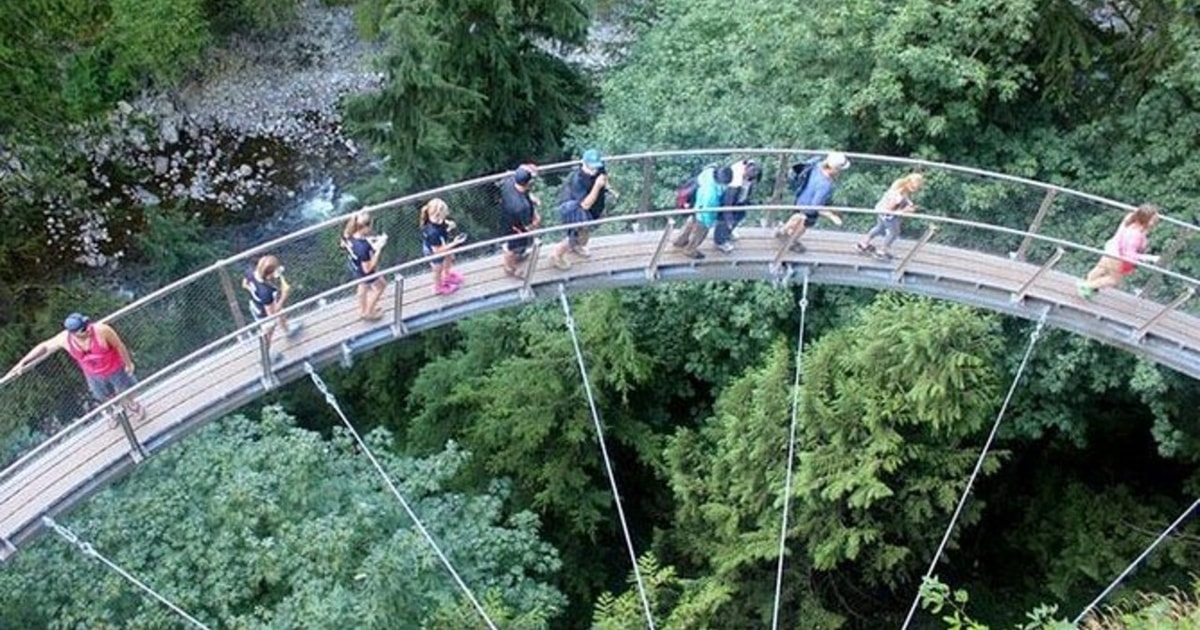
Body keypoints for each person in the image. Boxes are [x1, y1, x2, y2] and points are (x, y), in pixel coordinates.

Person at [4, 313, 146, 425]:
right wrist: (23, 362)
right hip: (93, 374)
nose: (88, 328)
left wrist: (128, 363)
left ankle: (132, 406)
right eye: (83, 329)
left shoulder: (102, 330)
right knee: (102, 396)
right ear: (74, 333)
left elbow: (119, 346)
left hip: (114, 368)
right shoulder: (65, 339)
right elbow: (45, 347)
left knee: (125, 389)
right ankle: (112, 412)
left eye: (87, 324)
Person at [1077, 203, 1161, 299]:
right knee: (1113, 279)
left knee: (1100, 269)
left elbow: (1138, 214)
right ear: (1146, 220)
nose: (1155, 222)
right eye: (1153, 220)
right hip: (1116, 254)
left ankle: (1086, 289)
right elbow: (1129, 255)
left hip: (1111, 246)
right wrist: (1151, 258)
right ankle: (1086, 286)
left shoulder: (1130, 219)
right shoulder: (1135, 235)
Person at [550, 149, 616, 270]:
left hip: (593, 208)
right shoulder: (578, 180)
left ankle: (577, 246)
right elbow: (585, 204)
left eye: (596, 167)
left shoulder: (599, 169)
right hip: (576, 209)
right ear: (583, 164)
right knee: (577, 235)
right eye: (591, 168)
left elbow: (603, 176)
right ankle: (557, 254)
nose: (594, 171)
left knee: (583, 236)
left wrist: (607, 186)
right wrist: (597, 185)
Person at [776, 152, 849, 252]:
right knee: (804, 224)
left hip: (801, 198)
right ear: (834, 169)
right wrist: (832, 216)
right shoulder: (825, 185)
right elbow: (815, 207)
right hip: (808, 208)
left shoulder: (817, 166)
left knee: (797, 215)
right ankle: (792, 241)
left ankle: (783, 230)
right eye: (839, 170)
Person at [242, 255, 302, 360]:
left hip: (257, 303)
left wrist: (254, 292)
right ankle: (265, 355)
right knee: (269, 331)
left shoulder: (250, 271)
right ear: (268, 275)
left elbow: (244, 284)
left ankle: (287, 330)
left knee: (281, 312)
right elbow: (272, 315)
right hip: (263, 313)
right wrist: (284, 295)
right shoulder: (266, 291)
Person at [856, 172, 925, 259]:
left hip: (881, 211)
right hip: (888, 215)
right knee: (894, 233)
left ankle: (863, 243)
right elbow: (889, 209)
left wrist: (909, 203)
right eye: (914, 188)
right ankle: (882, 251)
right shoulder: (898, 196)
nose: (915, 190)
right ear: (909, 183)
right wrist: (905, 210)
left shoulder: (899, 186)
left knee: (879, 228)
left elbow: (904, 197)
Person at [672, 165, 732, 259]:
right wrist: (709, 223)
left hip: (695, 206)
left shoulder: (709, 173)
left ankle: (679, 241)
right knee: (700, 233)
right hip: (703, 214)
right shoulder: (711, 195)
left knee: (690, 224)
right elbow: (708, 212)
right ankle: (690, 250)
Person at [341, 210, 388, 320]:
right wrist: (379, 249)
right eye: (370, 225)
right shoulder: (364, 247)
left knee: (362, 286)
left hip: (355, 266)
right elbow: (368, 268)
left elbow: (343, 245)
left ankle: (363, 310)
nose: (371, 228)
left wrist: (370, 241)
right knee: (381, 286)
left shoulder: (348, 234)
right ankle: (369, 312)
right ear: (365, 227)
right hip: (365, 271)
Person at [499, 164, 541, 278]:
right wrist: (537, 220)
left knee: (516, 247)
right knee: (512, 248)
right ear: (528, 183)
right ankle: (509, 267)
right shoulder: (522, 207)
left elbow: (521, 171)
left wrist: (530, 197)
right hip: (516, 229)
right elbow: (528, 226)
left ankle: (518, 255)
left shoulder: (509, 182)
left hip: (506, 219)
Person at [419, 197, 467, 295]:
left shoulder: (438, 221)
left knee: (449, 257)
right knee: (438, 268)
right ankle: (437, 287)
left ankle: (447, 275)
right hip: (433, 251)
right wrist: (455, 243)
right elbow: (437, 251)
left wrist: (449, 225)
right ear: (439, 214)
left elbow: (443, 224)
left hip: (441, 244)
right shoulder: (433, 232)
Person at [713, 158, 762, 252]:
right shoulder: (735, 180)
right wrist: (729, 219)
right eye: (752, 172)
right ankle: (720, 241)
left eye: (755, 173)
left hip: (740, 197)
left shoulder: (749, 166)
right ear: (747, 168)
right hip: (729, 198)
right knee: (725, 220)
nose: (753, 174)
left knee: (739, 215)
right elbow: (727, 204)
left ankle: (728, 233)